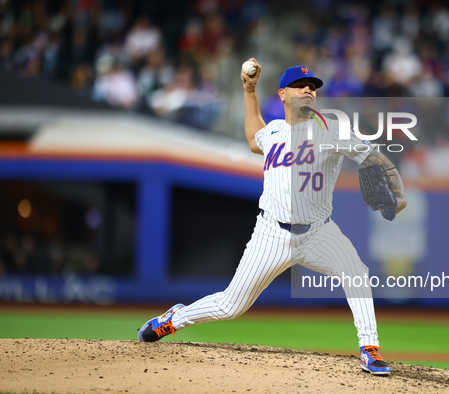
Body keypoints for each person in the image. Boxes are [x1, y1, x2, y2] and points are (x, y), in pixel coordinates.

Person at [138, 59, 407, 376]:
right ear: (282, 94)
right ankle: (175, 318)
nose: (308, 89)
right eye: (300, 85)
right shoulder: (275, 132)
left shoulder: (332, 130)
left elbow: (374, 156)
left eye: (313, 87)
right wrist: (249, 91)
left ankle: (370, 350)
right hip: (271, 233)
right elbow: (254, 137)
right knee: (231, 306)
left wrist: (398, 193)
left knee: (356, 274)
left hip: (319, 233)